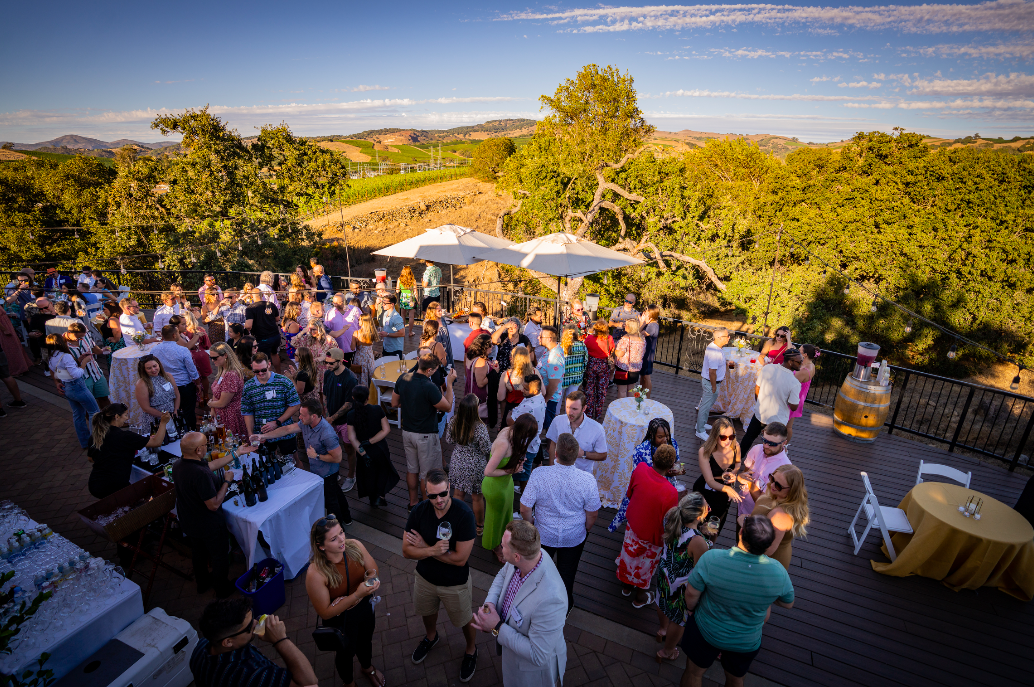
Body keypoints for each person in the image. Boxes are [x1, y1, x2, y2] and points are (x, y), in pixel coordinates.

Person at [679, 517, 794, 687]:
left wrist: (690, 609)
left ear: (741, 533)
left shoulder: (712, 558)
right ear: (768, 545)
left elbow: (691, 593)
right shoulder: (778, 571)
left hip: (706, 630)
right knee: (735, 679)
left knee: (694, 673)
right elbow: (787, 603)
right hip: (746, 640)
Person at [402, 469, 479, 682]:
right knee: (427, 612)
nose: (439, 500)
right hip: (424, 578)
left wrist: (425, 548)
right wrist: (432, 551)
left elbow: (460, 559)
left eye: (443, 494)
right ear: (425, 492)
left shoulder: (464, 514)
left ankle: (471, 650)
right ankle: (431, 637)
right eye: (432, 495)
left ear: (450, 488)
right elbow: (407, 551)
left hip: (455, 583)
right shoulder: (418, 511)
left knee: (465, 619)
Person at [470, 520, 568, 687]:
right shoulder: (531, 554)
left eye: (503, 546)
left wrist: (497, 627)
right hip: (513, 657)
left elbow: (538, 655)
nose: (500, 548)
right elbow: (502, 576)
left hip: (530, 675)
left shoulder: (552, 600)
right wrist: (490, 604)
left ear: (516, 556)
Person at [519, 432, 601, 616]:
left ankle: (538, 604)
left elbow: (524, 508)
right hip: (574, 536)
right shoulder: (587, 480)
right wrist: (585, 529)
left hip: (543, 534)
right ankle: (563, 607)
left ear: (555, 453)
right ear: (576, 456)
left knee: (539, 571)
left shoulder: (539, 474)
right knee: (567, 573)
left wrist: (532, 525)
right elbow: (593, 514)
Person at [305, 515, 383, 687]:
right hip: (341, 617)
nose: (342, 540)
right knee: (345, 652)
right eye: (334, 538)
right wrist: (357, 595)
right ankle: (348, 682)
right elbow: (324, 611)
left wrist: (371, 578)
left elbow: (373, 569)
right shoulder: (315, 572)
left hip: (364, 607)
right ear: (321, 546)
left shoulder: (354, 546)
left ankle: (367, 667)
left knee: (365, 641)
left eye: (341, 532)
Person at [259, 399, 352, 524]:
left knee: (330, 501)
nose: (299, 417)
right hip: (318, 470)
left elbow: (337, 458)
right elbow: (287, 429)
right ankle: (347, 518)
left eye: (302, 415)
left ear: (313, 416)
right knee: (336, 492)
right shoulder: (306, 423)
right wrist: (263, 436)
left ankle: (339, 527)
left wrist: (316, 455)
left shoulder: (327, 433)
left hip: (328, 473)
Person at [190, 597, 318, 687]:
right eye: (249, 626)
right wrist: (281, 640)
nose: (256, 623)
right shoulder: (252, 675)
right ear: (228, 642)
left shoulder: (201, 647)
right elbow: (308, 682)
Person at [174, 431, 237, 597]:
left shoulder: (179, 464)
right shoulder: (199, 475)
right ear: (198, 451)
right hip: (207, 524)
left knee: (199, 553)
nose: (207, 447)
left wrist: (236, 453)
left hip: (189, 520)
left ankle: (202, 583)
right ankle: (222, 589)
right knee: (219, 556)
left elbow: (210, 466)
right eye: (205, 445)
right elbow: (214, 504)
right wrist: (227, 481)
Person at [616, 444, 679, 608]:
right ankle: (639, 598)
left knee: (629, 557)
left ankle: (626, 587)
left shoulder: (641, 468)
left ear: (654, 457)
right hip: (652, 536)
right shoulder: (671, 492)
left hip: (633, 526)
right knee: (645, 567)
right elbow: (669, 522)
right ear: (671, 465)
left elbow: (630, 493)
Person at [392, 354, 457, 507]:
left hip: (407, 432)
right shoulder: (429, 387)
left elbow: (395, 403)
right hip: (426, 435)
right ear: (429, 370)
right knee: (427, 474)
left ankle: (413, 503)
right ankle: (425, 507)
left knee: (412, 470)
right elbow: (447, 406)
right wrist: (449, 383)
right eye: (434, 370)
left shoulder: (403, 378)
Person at [655, 492, 713, 662]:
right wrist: (710, 542)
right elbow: (700, 568)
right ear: (700, 515)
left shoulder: (671, 518)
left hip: (665, 573)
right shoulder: (698, 541)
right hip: (681, 586)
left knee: (661, 599)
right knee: (680, 621)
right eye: (706, 507)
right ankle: (666, 651)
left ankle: (662, 630)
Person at [608, 417, 681, 532]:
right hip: (647, 488)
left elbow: (677, 460)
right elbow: (641, 474)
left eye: (667, 435)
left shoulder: (673, 443)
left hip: (666, 485)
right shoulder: (640, 451)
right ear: (652, 434)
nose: (665, 440)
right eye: (660, 437)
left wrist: (678, 469)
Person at [88, 403, 169, 499]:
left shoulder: (96, 435)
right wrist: (163, 422)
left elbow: (90, 458)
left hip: (95, 483)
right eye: (125, 415)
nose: (127, 419)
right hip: (115, 486)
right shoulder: (124, 436)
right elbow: (157, 442)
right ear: (117, 417)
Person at [738, 464, 809, 572]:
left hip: (766, 562)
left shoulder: (780, 516)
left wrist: (746, 523)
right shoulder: (776, 494)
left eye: (779, 485)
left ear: (791, 490)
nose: (772, 485)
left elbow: (767, 549)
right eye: (772, 478)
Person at [483, 414, 536, 558]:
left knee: (506, 515)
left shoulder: (510, 431)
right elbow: (488, 471)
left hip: (506, 483)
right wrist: (511, 470)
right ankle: (495, 547)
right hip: (495, 487)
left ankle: (503, 542)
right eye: (527, 436)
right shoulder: (504, 443)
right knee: (495, 519)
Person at [740, 348, 803, 452]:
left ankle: (736, 461)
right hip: (777, 420)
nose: (801, 363)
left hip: (760, 413)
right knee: (771, 446)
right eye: (799, 361)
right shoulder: (795, 383)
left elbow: (757, 388)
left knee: (748, 438)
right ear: (790, 362)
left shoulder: (768, 368)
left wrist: (760, 404)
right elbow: (793, 407)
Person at [445, 394, 491, 534]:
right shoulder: (480, 428)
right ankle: (479, 526)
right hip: (476, 465)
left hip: (458, 462)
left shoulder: (454, 421)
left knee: (458, 495)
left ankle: (457, 522)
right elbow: (486, 449)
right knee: (477, 497)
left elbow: (449, 440)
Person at [346, 385, 398, 507]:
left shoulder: (351, 415)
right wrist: (370, 441)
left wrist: (363, 453)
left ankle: (372, 499)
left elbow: (351, 438)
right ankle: (380, 496)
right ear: (368, 397)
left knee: (368, 473)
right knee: (383, 471)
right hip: (379, 448)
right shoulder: (377, 409)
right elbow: (386, 430)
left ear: (353, 398)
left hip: (363, 451)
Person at [241, 353, 302, 457]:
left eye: (263, 370)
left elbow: (295, 404)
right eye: (256, 371)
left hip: (284, 431)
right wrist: (251, 433)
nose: (260, 373)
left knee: (294, 461)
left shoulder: (283, 381)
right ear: (252, 367)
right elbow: (247, 411)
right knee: (267, 463)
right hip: (262, 434)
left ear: (269, 364)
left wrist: (277, 422)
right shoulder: (248, 387)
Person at [693, 417, 745, 538]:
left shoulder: (735, 446)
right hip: (705, 492)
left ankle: (710, 547)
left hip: (723, 494)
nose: (728, 441)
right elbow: (710, 481)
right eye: (723, 437)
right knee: (700, 525)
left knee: (716, 526)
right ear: (715, 436)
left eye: (731, 436)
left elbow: (738, 463)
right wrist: (728, 489)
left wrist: (734, 472)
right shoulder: (705, 451)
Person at [46, 334, 100, 448]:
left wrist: (79, 360)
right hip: (78, 386)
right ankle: (95, 443)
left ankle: (85, 442)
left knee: (78, 415)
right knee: (94, 413)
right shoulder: (66, 356)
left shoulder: (51, 356)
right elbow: (76, 374)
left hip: (66, 387)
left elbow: (59, 372)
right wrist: (84, 362)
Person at [544, 390, 607, 471]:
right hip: (558, 471)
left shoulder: (597, 429)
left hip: (582, 474)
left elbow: (603, 455)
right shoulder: (558, 421)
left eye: (574, 409)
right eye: (567, 407)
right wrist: (551, 466)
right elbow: (552, 444)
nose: (570, 412)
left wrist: (583, 454)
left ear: (584, 408)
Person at [152, 324, 201, 429]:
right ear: (174, 335)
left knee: (169, 412)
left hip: (165, 386)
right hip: (183, 386)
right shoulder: (182, 350)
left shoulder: (154, 350)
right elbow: (192, 370)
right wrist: (198, 384)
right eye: (178, 333)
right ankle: (191, 433)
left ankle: (175, 433)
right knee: (188, 411)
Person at [322, 348, 359, 482]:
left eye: (331, 363)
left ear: (340, 361)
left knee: (349, 449)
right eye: (326, 362)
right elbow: (325, 395)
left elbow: (348, 404)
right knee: (331, 448)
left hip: (346, 421)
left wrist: (331, 418)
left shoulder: (350, 379)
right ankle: (334, 472)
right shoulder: (327, 374)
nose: (328, 365)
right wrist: (327, 414)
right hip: (330, 419)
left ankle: (351, 476)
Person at [740, 422, 792, 517]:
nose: (766, 446)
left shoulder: (785, 469)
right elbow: (745, 472)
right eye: (764, 440)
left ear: (784, 443)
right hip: (743, 504)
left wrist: (749, 483)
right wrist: (740, 477)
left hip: (760, 516)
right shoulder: (757, 449)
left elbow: (764, 503)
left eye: (772, 444)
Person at [504, 375, 545, 493]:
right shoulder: (539, 397)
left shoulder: (529, 405)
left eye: (526, 389)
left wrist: (509, 413)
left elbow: (510, 421)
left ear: (535, 390)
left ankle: (526, 503)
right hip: (532, 443)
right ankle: (523, 489)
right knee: (524, 472)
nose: (522, 390)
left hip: (524, 446)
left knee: (524, 474)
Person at [206, 341, 248, 441]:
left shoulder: (231, 375)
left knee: (232, 443)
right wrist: (212, 409)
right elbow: (217, 393)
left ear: (225, 355)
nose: (212, 361)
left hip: (231, 416)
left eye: (215, 358)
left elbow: (222, 403)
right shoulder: (223, 369)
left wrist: (210, 404)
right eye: (211, 357)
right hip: (223, 414)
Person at [696, 328, 731, 441]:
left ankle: (701, 423)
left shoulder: (716, 347)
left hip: (712, 383)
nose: (729, 338)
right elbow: (712, 372)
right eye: (727, 336)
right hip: (711, 383)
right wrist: (714, 387)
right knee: (705, 407)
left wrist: (726, 362)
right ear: (719, 338)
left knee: (707, 405)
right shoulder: (714, 352)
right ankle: (699, 430)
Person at [66, 321, 110, 408]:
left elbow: (93, 347)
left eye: (82, 337)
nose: (80, 339)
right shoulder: (63, 344)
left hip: (96, 373)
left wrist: (102, 350)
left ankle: (109, 420)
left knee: (104, 398)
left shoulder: (85, 334)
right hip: (82, 379)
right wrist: (82, 360)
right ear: (69, 333)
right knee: (88, 405)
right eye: (78, 337)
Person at [582, 319, 615, 420]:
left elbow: (585, 348)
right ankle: (598, 413)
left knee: (589, 389)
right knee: (601, 390)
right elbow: (612, 349)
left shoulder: (590, 338)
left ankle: (589, 412)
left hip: (591, 365)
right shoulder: (609, 338)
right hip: (603, 365)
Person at [535, 326, 564, 434]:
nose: (538, 338)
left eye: (541, 336)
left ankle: (548, 446)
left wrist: (545, 399)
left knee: (547, 425)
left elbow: (554, 383)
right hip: (544, 396)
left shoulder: (554, 357)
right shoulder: (549, 351)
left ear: (549, 339)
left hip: (548, 399)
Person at [245, 286, 281, 372]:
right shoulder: (271, 304)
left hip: (262, 338)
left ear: (252, 296)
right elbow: (277, 319)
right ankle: (279, 374)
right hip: (275, 335)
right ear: (262, 295)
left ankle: (271, 380)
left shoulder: (251, 308)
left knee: (265, 359)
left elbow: (249, 325)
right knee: (274, 354)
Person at [786, 344, 818, 443]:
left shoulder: (804, 370)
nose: (796, 351)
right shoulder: (811, 365)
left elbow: (789, 383)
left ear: (804, 354)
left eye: (799, 350)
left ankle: (783, 446)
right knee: (788, 425)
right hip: (799, 397)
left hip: (794, 398)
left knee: (787, 426)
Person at [500, 345, 535, 428]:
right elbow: (543, 392)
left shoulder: (506, 375)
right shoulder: (534, 371)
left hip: (511, 410)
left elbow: (500, 397)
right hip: (528, 410)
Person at [135, 354, 180, 421]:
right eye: (149, 368)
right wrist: (166, 416)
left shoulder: (168, 376)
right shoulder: (142, 384)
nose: (153, 370)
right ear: (144, 370)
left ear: (159, 365)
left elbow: (177, 394)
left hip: (173, 416)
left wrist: (176, 411)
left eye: (154, 366)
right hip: (156, 419)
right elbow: (146, 408)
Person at [614, 318, 646, 399]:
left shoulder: (626, 338)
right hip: (636, 368)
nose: (624, 326)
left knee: (622, 390)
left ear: (629, 327)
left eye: (626, 325)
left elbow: (620, 353)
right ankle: (629, 408)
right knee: (631, 390)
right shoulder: (642, 338)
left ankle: (621, 409)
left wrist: (615, 349)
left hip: (624, 368)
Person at [463, 334, 493, 414]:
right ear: (484, 347)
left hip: (470, 389)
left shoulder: (470, 356)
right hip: (479, 394)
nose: (492, 346)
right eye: (490, 345)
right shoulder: (480, 361)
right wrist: (494, 372)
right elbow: (480, 383)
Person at [325, 292, 358, 362]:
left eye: (337, 303)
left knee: (353, 367)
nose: (335, 305)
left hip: (354, 346)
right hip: (338, 347)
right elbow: (327, 330)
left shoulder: (355, 310)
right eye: (334, 303)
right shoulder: (330, 313)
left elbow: (362, 325)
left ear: (343, 302)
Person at [559, 325, 588, 398]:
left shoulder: (560, 346)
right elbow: (585, 361)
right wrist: (581, 371)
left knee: (557, 400)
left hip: (562, 376)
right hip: (576, 376)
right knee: (571, 399)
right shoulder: (582, 345)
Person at [639, 304, 661, 396]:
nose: (645, 312)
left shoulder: (653, 325)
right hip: (644, 353)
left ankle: (647, 398)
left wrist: (642, 323)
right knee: (642, 375)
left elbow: (639, 333)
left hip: (647, 355)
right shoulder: (649, 323)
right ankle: (641, 395)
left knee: (646, 377)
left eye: (647, 311)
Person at [350, 314, 378, 387]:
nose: (358, 321)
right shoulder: (373, 332)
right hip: (369, 357)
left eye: (359, 319)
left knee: (360, 376)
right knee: (371, 375)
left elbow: (352, 348)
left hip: (360, 357)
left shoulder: (356, 333)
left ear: (363, 321)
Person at [424, 301, 454, 368]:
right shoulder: (428, 322)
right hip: (436, 347)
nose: (441, 312)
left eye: (441, 310)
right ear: (432, 311)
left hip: (446, 345)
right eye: (439, 311)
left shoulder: (442, 320)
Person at [376, 294, 405, 360]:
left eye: (385, 303)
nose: (383, 305)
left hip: (394, 349)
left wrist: (387, 334)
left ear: (392, 304)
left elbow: (402, 333)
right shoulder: (385, 313)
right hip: (386, 347)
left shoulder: (396, 317)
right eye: (383, 302)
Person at [396, 265, 417, 335]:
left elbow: (397, 291)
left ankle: (403, 331)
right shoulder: (413, 280)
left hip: (403, 298)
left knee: (403, 315)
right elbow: (415, 292)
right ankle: (410, 332)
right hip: (411, 298)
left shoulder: (399, 279)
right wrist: (418, 300)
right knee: (411, 316)